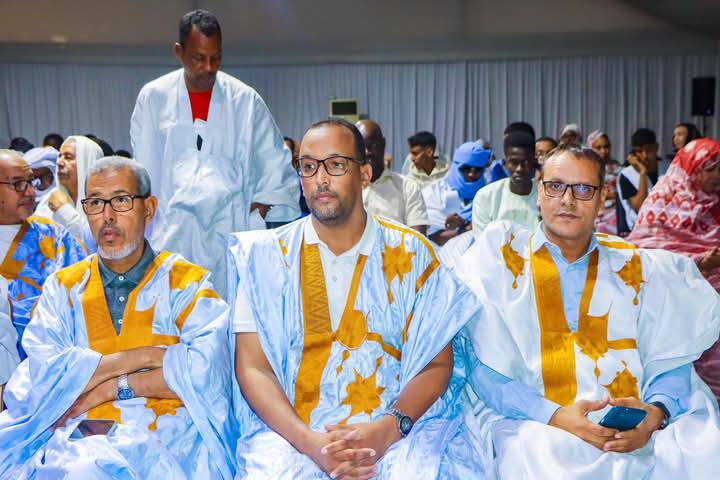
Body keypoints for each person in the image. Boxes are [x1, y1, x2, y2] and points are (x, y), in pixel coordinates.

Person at [229, 118, 483, 479]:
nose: (320, 179)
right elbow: (253, 368)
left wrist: (386, 431)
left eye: (335, 164)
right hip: (291, 433)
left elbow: (436, 365)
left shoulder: (414, 255)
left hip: (398, 428)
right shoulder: (264, 258)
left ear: (365, 174)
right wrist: (309, 443)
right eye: (308, 166)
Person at [453, 144, 720, 479]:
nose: (567, 200)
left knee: (701, 450)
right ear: (539, 193)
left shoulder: (639, 267)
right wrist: (555, 417)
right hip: (535, 423)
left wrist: (655, 414)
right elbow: (482, 368)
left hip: (635, 427)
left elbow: (672, 359)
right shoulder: (501, 259)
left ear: (601, 198)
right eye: (556, 186)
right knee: (540, 458)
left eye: (583, 189)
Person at [0, 157, 236, 478]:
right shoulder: (64, 287)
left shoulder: (186, 283)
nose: (108, 216)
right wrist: (147, 357)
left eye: (121, 200)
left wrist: (110, 388)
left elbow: (209, 373)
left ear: (148, 209)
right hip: (80, 432)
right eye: (96, 203)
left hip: (170, 432)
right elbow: (47, 377)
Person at [131, 9, 299, 297]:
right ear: (179, 52)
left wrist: (260, 210)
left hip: (231, 237)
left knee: (230, 314)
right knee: (174, 314)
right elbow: (145, 173)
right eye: (199, 58)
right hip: (171, 235)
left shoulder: (246, 100)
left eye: (216, 58)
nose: (209, 67)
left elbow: (276, 169)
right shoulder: (153, 98)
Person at [628, 138, 720, 403]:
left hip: (713, 308)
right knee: (679, 382)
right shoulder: (663, 202)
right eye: (710, 169)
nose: (717, 176)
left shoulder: (716, 205)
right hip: (675, 311)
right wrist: (700, 262)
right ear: (692, 170)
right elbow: (647, 258)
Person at [0, 149, 84, 359]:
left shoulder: (55, 237)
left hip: (51, 362)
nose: (31, 192)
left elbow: (82, 299)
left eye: (31, 182)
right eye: (18, 184)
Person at [356, 119, 429, 234]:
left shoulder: (407, 188)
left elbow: (418, 238)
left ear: (383, 144)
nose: (366, 152)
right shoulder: (346, 188)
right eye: (360, 147)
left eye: (370, 146)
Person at [33, 135, 103, 247]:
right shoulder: (50, 200)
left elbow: (95, 243)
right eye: (60, 156)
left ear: (86, 162)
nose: (59, 162)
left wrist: (63, 210)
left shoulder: (105, 201)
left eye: (68, 157)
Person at [422, 142, 491, 246]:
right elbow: (431, 237)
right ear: (455, 167)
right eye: (466, 169)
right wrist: (466, 229)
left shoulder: (489, 194)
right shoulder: (434, 192)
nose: (471, 174)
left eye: (478, 170)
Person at [472, 131, 539, 237]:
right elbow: (482, 242)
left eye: (525, 162)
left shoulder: (546, 196)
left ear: (533, 162)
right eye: (514, 162)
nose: (519, 169)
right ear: (505, 163)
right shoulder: (485, 196)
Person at [616, 128, 660, 236]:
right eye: (640, 151)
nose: (644, 155)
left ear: (656, 147)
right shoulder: (626, 175)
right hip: (639, 231)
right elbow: (640, 207)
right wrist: (643, 173)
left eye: (648, 150)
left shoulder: (669, 169)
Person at [588, 130, 621, 235]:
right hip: (592, 210)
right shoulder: (585, 168)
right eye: (598, 148)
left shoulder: (617, 168)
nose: (603, 151)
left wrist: (613, 196)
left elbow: (623, 194)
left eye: (606, 147)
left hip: (614, 211)